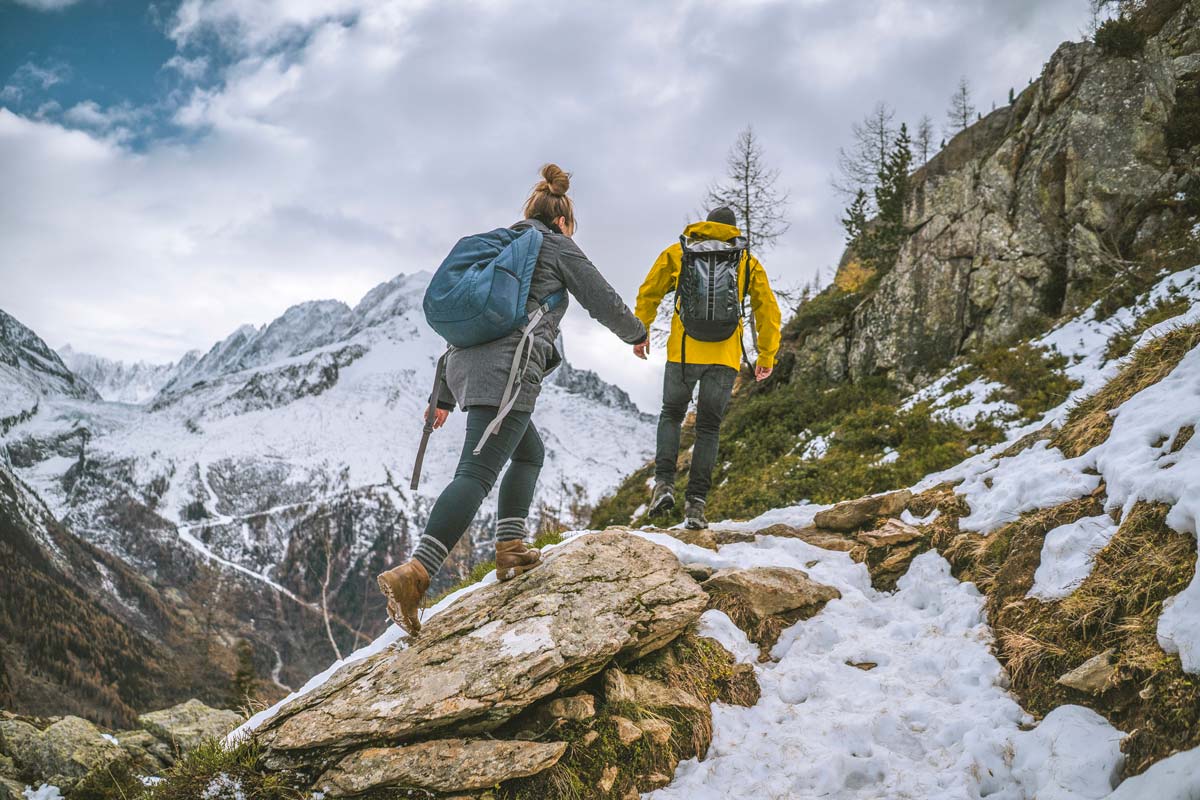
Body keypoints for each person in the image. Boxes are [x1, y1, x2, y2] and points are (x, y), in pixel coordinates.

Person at [377, 164, 648, 635]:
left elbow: (470, 325)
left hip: (467, 369)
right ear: (563, 221)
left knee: (529, 453)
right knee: (476, 473)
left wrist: (441, 394)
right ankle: (415, 574)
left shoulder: (499, 247)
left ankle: (510, 548)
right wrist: (637, 333)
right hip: (508, 372)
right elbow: (601, 298)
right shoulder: (555, 246)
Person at [633, 206, 781, 529]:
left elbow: (650, 291)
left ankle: (663, 486)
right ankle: (696, 505)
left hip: (684, 352)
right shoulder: (746, 260)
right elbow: (766, 308)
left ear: (706, 225)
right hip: (725, 357)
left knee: (671, 414)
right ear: (732, 230)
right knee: (709, 428)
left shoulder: (681, 251)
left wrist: (641, 331)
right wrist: (766, 354)